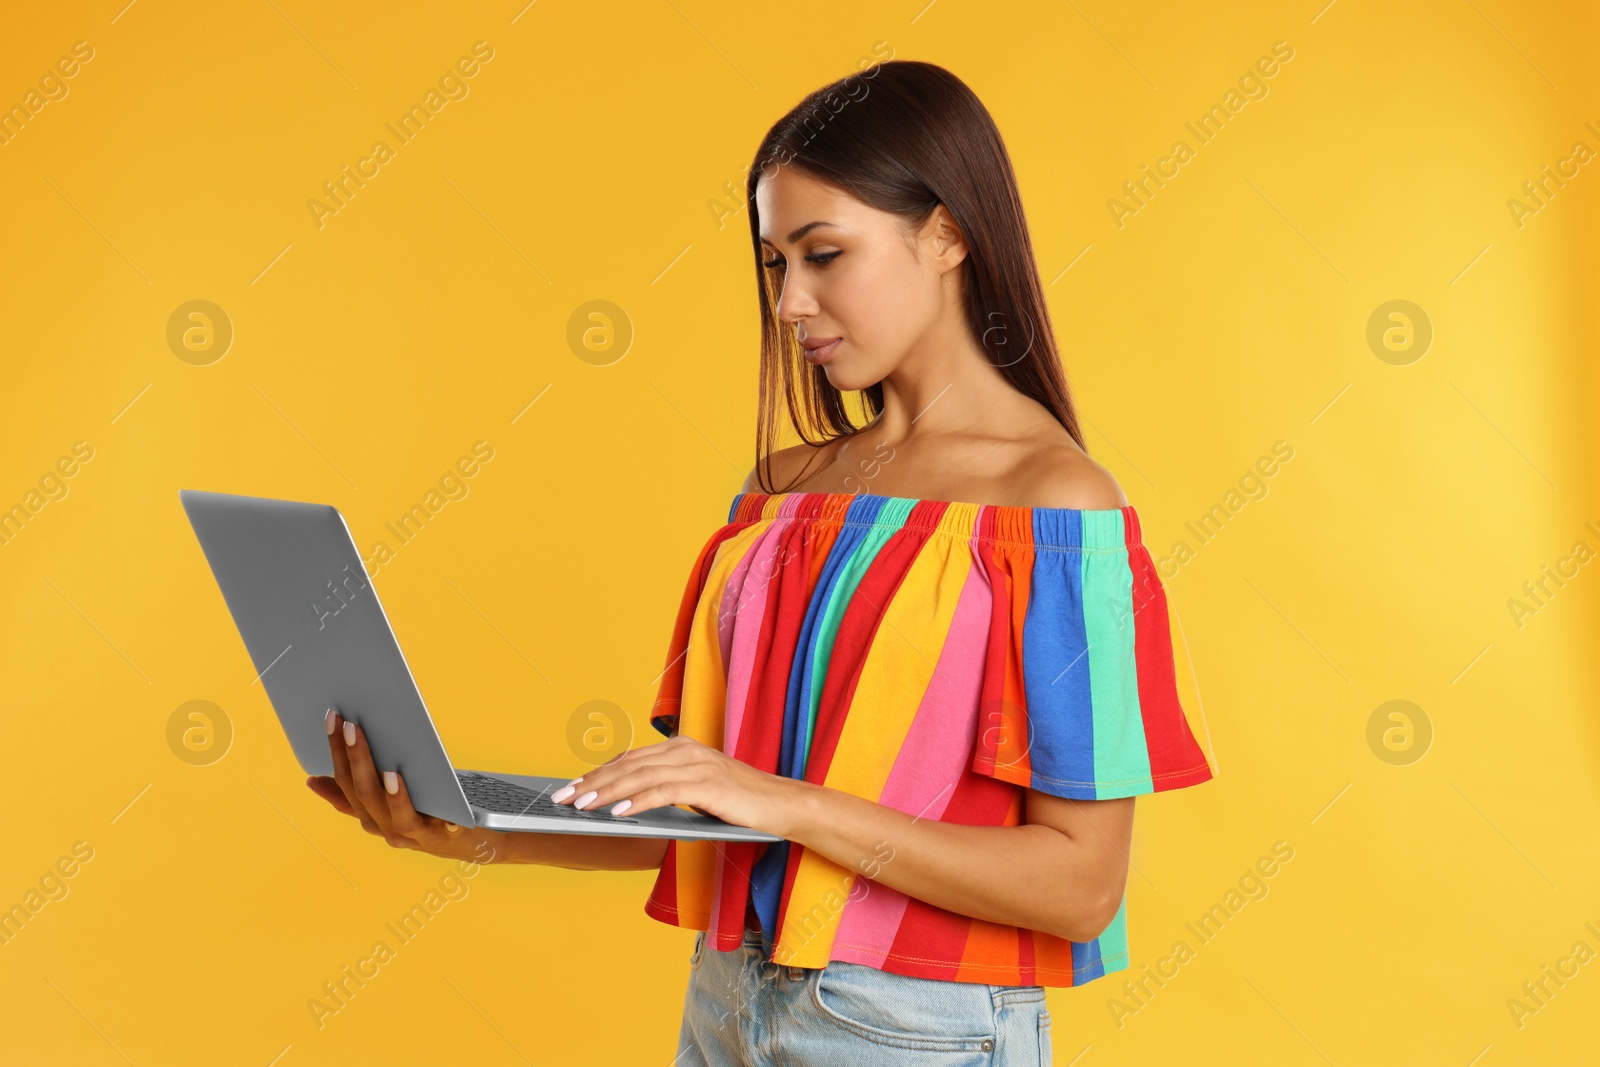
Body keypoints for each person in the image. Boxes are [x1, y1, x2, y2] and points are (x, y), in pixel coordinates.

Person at [307, 59, 1216, 1065]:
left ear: (947, 235)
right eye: (775, 262)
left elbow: (1080, 885)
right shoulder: (780, 495)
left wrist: (783, 798)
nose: (789, 303)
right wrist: (475, 828)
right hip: (726, 1002)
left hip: (914, 1030)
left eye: (824, 253)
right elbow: (722, 822)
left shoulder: (1053, 506)